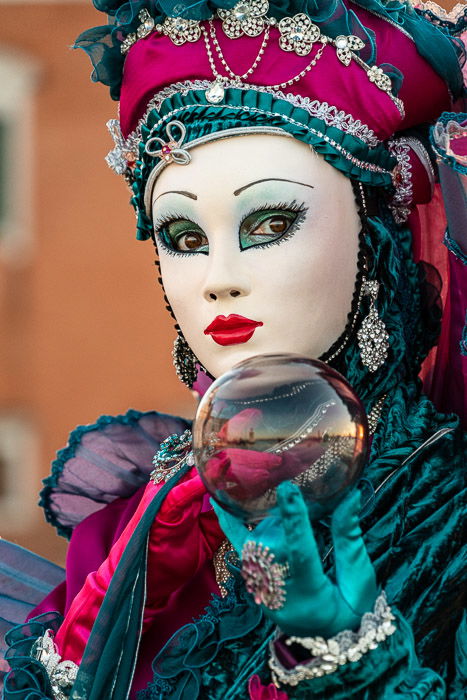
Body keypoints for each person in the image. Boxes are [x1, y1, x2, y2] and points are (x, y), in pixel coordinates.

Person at [1, 0, 466, 698]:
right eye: (184, 238)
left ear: (371, 241)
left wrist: (350, 660)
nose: (218, 280)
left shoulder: (449, 512)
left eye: (271, 222)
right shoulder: (143, 525)